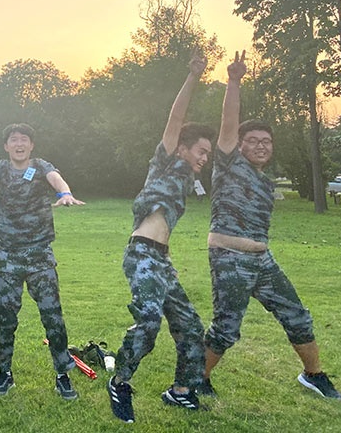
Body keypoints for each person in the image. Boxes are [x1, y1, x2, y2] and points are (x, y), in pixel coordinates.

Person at [201, 51, 341, 400]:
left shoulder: (265, 182)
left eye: (266, 142)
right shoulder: (229, 164)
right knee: (226, 329)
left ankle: (313, 375)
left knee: (297, 315)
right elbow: (228, 123)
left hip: (263, 261)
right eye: (253, 141)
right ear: (239, 146)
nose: (261, 146)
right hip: (231, 259)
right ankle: (195, 380)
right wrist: (233, 82)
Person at [107, 56, 213, 424]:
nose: (205, 158)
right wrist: (193, 76)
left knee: (191, 327)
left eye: (208, 154)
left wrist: (167, 261)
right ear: (182, 147)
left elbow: (164, 228)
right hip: (141, 255)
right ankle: (119, 382)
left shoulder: (185, 180)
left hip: (161, 260)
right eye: (201, 151)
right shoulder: (165, 162)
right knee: (149, 322)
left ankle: (179, 392)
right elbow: (176, 118)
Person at [0, 123, 84, 401]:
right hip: (9, 257)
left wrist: (65, 193)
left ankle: (62, 375)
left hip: (40, 256)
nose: (19, 144)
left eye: (24, 139)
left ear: (31, 145)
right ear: (6, 146)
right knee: (4, 319)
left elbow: (56, 179)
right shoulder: (0, 168)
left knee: (53, 317)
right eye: (14, 140)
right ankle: (5, 373)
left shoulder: (41, 166)